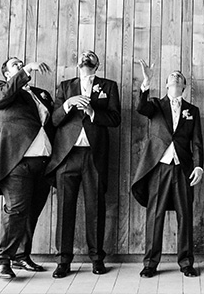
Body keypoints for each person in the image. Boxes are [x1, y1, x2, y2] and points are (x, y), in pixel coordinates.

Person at [46, 50, 121, 278]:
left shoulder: (109, 86)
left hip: (94, 155)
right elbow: (55, 120)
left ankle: (97, 259)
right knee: (65, 209)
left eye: (91, 55)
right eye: (83, 55)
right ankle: (63, 261)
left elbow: (115, 119)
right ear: (77, 63)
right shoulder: (65, 86)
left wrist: (92, 112)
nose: (86, 57)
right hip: (67, 156)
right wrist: (68, 104)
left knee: (95, 209)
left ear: (97, 65)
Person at [131, 60, 204, 278]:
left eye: (179, 77)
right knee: (155, 216)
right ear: (166, 85)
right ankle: (150, 264)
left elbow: (197, 142)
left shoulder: (192, 110)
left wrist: (199, 166)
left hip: (183, 169)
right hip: (159, 168)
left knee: (185, 215)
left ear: (183, 86)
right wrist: (146, 81)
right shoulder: (155, 105)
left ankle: (186, 263)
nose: (175, 77)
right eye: (171, 76)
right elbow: (140, 107)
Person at [0, 57, 54, 279]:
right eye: (15, 64)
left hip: (42, 162)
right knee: (16, 211)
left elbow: (50, 123)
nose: (21, 65)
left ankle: (21, 256)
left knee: (31, 212)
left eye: (21, 63)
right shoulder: (1, 89)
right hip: (17, 162)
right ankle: (2, 261)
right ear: (7, 74)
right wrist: (24, 70)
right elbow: (2, 98)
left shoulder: (40, 94)